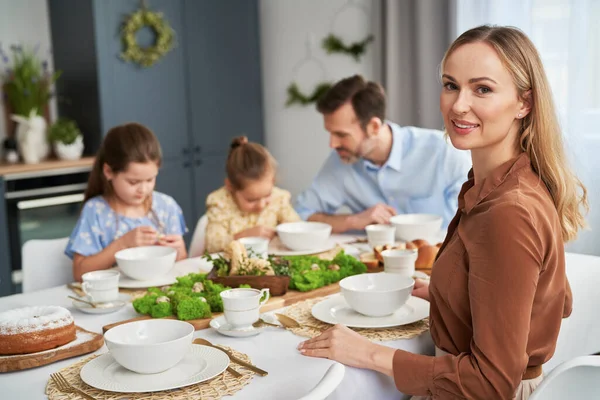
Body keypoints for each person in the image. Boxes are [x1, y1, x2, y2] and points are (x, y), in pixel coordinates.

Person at [297, 25, 587, 400]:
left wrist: (369, 352)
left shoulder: (507, 212)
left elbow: (490, 383)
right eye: (451, 85)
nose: (458, 104)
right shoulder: (504, 183)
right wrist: (454, 294)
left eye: (482, 88)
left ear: (524, 103)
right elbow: (553, 300)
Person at [294, 75, 471, 233]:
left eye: (341, 135)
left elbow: (475, 221)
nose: (332, 144)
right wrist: (353, 221)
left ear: (374, 127)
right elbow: (300, 215)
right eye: (330, 133)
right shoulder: (340, 161)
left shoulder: (444, 152)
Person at [66, 123, 188, 281]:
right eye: (133, 182)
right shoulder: (96, 211)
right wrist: (123, 244)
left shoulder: (166, 206)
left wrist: (180, 250)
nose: (143, 189)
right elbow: (79, 273)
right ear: (109, 172)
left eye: (150, 180)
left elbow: (182, 263)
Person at [204, 136, 301, 253]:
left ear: (273, 181)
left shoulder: (278, 198)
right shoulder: (220, 203)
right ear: (230, 187)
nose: (261, 205)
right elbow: (212, 245)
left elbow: (297, 228)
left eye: (267, 195)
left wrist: (285, 233)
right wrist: (241, 237)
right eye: (251, 200)